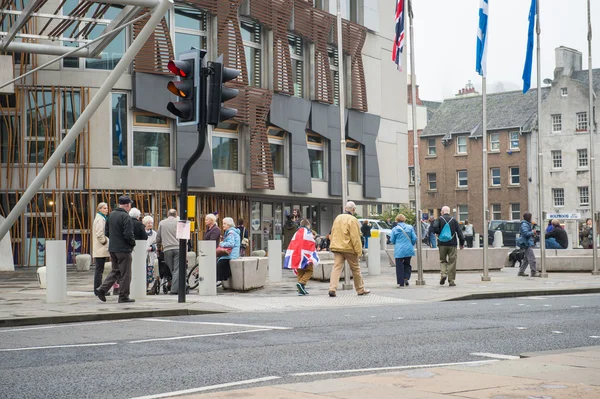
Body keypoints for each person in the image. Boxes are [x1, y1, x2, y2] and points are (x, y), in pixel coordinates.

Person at [96, 196, 136, 303]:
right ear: (128, 205)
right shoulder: (125, 216)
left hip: (112, 248)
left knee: (116, 270)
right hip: (123, 249)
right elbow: (128, 234)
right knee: (126, 273)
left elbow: (107, 232)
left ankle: (102, 289)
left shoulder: (111, 215)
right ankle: (123, 296)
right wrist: (132, 243)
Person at [328, 201, 370, 297]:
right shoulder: (353, 219)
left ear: (345, 209)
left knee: (336, 268)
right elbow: (355, 237)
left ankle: (332, 288)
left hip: (337, 247)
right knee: (356, 269)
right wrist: (359, 251)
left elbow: (333, 232)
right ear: (353, 210)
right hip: (349, 248)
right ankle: (360, 289)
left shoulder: (338, 218)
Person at [284, 219, 320, 295]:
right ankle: (301, 283)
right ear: (308, 225)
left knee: (300, 272)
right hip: (305, 257)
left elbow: (293, 244)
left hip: (297, 256)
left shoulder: (296, 233)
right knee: (309, 271)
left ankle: (300, 289)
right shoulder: (308, 233)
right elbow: (311, 244)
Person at [433, 206, 465, 286]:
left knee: (442, 260)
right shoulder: (454, 220)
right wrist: (461, 243)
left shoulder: (439, 219)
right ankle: (451, 281)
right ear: (449, 212)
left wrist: (438, 233)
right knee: (452, 262)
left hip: (442, 244)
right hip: (452, 244)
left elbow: (435, 228)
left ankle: (443, 274)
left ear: (442, 212)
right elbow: (460, 233)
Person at [156, 209, 181, 295]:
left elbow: (158, 237)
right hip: (178, 248)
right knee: (177, 269)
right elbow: (185, 238)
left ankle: (176, 288)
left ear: (167, 214)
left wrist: (158, 248)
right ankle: (176, 289)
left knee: (172, 269)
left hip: (167, 249)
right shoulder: (180, 222)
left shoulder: (162, 223)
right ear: (176, 214)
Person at [389, 214, 417, 287]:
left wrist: (396, 243)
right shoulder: (410, 227)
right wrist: (411, 244)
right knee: (407, 264)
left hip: (399, 250)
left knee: (399, 265)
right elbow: (414, 238)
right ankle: (406, 277)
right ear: (404, 219)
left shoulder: (395, 229)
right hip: (408, 249)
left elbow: (392, 240)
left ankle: (401, 282)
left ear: (397, 220)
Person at [92, 202, 110, 297]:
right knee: (99, 270)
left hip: (101, 248)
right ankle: (98, 289)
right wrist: (104, 242)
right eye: (104, 208)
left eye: (107, 208)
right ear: (99, 209)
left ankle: (98, 289)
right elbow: (99, 234)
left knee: (100, 270)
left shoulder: (102, 218)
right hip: (100, 248)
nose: (106, 209)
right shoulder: (99, 219)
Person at [216, 217, 240, 287]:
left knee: (219, 264)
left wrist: (221, 244)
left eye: (224, 223)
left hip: (230, 255)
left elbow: (231, 244)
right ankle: (222, 277)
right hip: (233, 254)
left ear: (229, 225)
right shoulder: (232, 232)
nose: (223, 225)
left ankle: (217, 279)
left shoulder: (231, 232)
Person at [516, 212, 538, 277]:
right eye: (531, 217)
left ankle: (521, 272)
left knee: (526, 259)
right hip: (526, 243)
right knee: (532, 258)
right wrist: (532, 232)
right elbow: (525, 233)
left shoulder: (526, 224)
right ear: (529, 218)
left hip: (527, 243)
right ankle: (533, 272)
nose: (531, 218)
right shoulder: (524, 224)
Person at [142, 215, 159, 293]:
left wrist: (152, 248)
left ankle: (148, 286)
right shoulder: (141, 232)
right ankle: (142, 286)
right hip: (142, 253)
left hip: (150, 254)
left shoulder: (154, 233)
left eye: (151, 223)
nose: (150, 225)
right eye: (148, 223)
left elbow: (156, 243)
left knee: (149, 270)